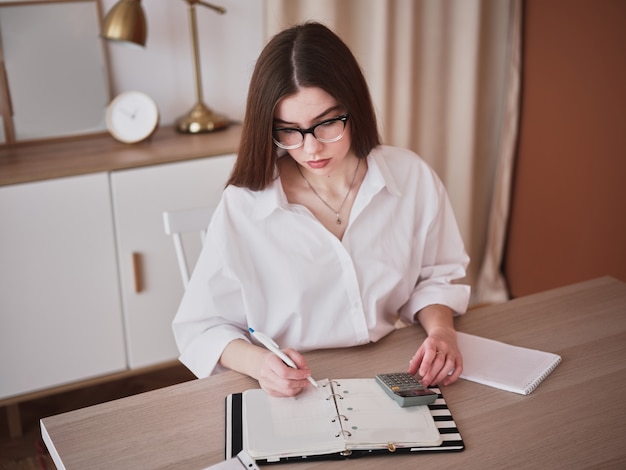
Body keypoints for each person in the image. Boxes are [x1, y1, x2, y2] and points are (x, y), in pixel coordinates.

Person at [172, 22, 470, 398]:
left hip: (394, 371)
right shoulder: (246, 205)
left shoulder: (409, 177)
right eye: (288, 130)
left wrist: (441, 332)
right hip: (297, 388)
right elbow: (202, 328)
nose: (311, 149)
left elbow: (435, 277)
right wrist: (260, 365)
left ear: (355, 108)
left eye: (327, 123)